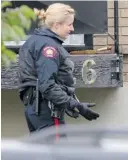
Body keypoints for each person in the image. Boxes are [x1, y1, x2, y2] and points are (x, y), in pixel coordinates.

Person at [18, 3, 99, 135]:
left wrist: (69, 103)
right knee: (57, 153)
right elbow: (47, 85)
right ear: (57, 25)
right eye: (69, 24)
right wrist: (73, 104)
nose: (72, 29)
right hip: (47, 110)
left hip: (36, 108)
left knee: (42, 154)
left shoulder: (34, 41)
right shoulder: (48, 47)